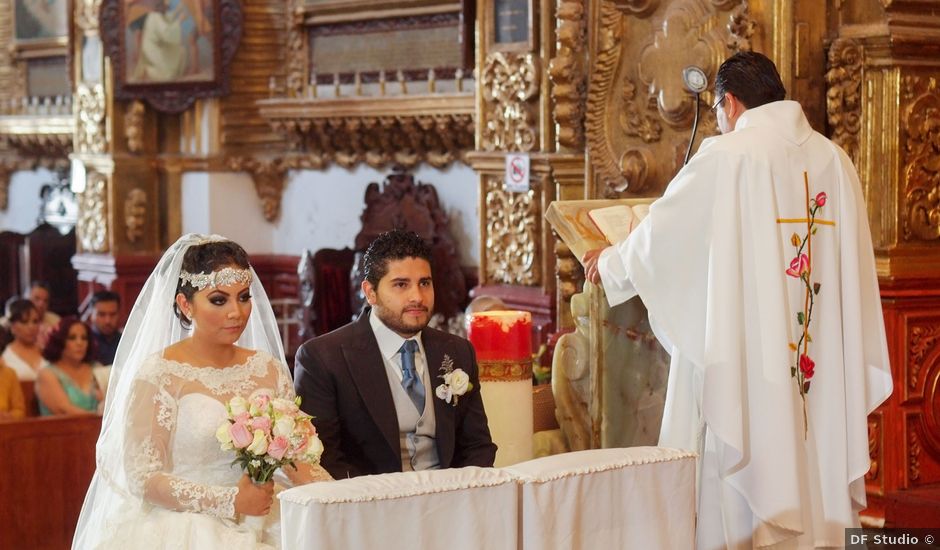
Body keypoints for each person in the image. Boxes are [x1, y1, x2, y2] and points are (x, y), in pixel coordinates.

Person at [582, 51, 893, 549]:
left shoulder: (727, 156)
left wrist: (612, 261)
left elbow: (664, 233)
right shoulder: (836, 161)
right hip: (820, 371)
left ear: (727, 103)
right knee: (816, 456)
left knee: (742, 452)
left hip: (752, 367)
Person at [72, 235, 332, 550]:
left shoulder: (269, 369)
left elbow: (295, 459)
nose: (236, 312)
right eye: (219, 300)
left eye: (244, 297)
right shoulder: (160, 373)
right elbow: (142, 477)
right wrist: (231, 501)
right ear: (185, 304)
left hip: (267, 516)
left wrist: (341, 500)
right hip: (183, 528)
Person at [294, 229, 497, 479]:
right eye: (401, 284)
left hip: (450, 498)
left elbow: (478, 446)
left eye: (425, 283)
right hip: (369, 505)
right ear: (370, 292)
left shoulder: (457, 351)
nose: (417, 297)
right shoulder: (322, 358)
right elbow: (324, 458)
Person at [36, 318, 102, 416]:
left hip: (102, 427)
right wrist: (100, 418)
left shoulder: (97, 368)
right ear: (60, 341)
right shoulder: (46, 374)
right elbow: (64, 410)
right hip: (61, 429)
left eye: (84, 338)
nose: (80, 343)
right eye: (72, 338)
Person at [2, 299, 50, 381]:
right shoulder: (5, 359)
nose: (31, 327)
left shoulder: (47, 352)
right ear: (12, 326)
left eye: (35, 321)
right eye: (24, 322)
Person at [89, 290, 123, 365]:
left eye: (113, 314)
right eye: (101, 314)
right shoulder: (83, 341)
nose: (107, 321)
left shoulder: (125, 341)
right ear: (91, 315)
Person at [29, 281, 61, 349]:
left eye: (45, 301)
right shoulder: (12, 322)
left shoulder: (55, 321)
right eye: (37, 299)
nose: (41, 304)